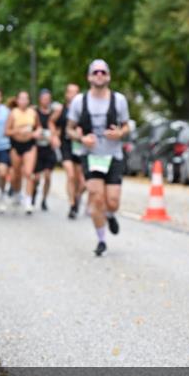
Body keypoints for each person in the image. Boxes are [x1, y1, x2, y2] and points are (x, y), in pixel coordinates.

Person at [65, 60, 131, 256]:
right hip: (91, 156)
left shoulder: (119, 100)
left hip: (113, 155)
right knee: (96, 197)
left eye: (103, 72)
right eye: (96, 72)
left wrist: (120, 133)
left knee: (112, 201)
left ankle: (110, 215)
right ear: (89, 77)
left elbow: (127, 126)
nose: (99, 75)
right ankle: (101, 240)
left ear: (109, 76)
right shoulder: (79, 101)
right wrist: (81, 138)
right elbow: (69, 129)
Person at [5, 90, 41, 214]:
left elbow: (38, 127)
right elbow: (6, 131)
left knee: (28, 173)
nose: (24, 101)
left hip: (29, 145)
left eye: (26, 98)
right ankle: (16, 192)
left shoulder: (33, 113)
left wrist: (37, 132)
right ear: (17, 100)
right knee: (16, 173)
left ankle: (28, 200)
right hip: (16, 145)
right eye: (21, 98)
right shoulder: (13, 113)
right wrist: (17, 131)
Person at [54, 83, 86, 218]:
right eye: (70, 92)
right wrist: (54, 136)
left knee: (83, 182)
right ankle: (72, 204)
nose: (72, 95)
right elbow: (51, 122)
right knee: (71, 175)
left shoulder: (85, 110)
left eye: (75, 92)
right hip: (66, 145)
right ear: (66, 94)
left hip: (80, 146)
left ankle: (77, 196)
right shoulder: (61, 110)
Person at [33, 88, 58, 211]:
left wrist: (53, 137)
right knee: (36, 178)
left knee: (47, 176)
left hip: (49, 149)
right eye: (44, 99)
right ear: (40, 99)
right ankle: (33, 194)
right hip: (37, 148)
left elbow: (58, 128)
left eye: (48, 99)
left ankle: (44, 200)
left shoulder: (54, 114)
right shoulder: (34, 112)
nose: (46, 101)